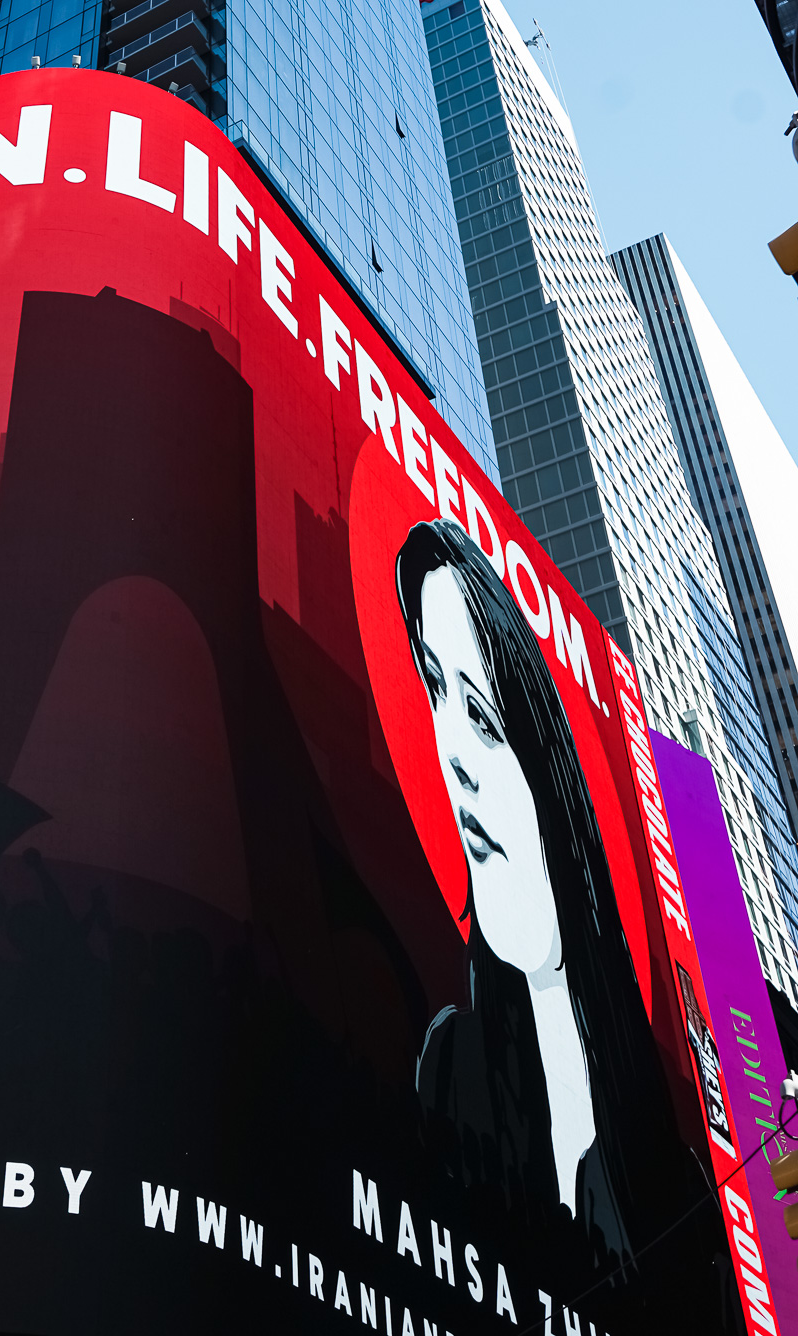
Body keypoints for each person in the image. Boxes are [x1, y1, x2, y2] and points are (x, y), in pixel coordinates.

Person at [395, 518, 724, 1310]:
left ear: (548, 766)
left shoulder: (684, 1180)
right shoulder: (451, 1074)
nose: (451, 753)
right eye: (434, 690)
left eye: (480, 713)